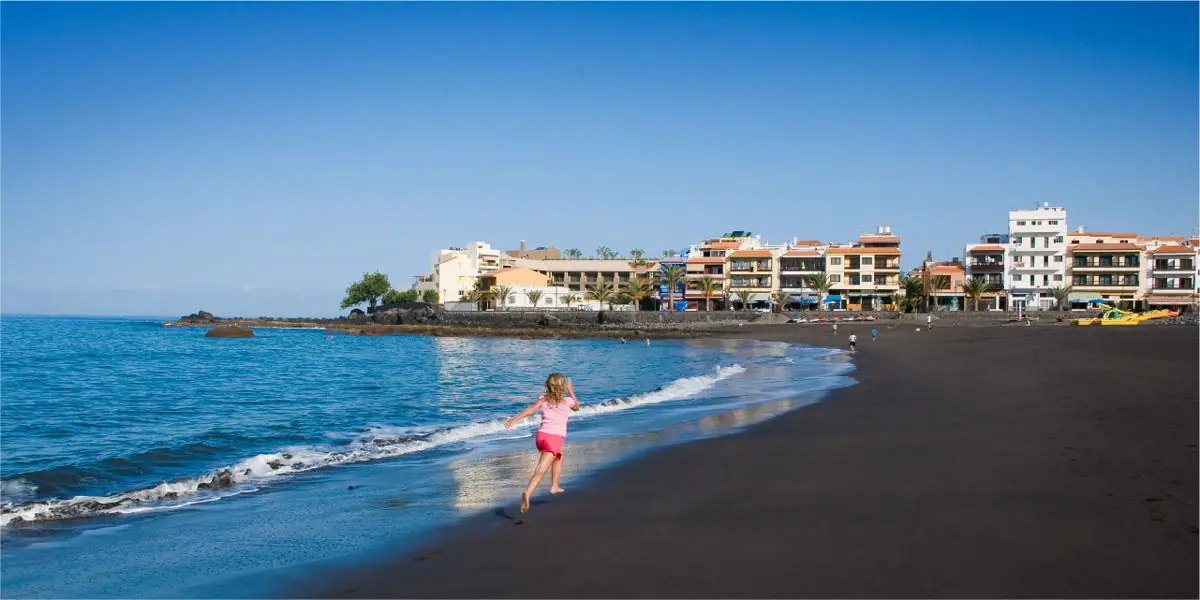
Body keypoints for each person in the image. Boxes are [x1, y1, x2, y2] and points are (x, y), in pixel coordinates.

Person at [505, 373, 581, 513]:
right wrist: (571, 389)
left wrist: (514, 419)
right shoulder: (567, 401)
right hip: (554, 438)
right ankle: (528, 492)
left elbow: (531, 409)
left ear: (548, 385)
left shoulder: (543, 400)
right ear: (562, 386)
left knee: (559, 456)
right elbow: (577, 407)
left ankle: (555, 485)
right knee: (540, 471)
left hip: (541, 437)